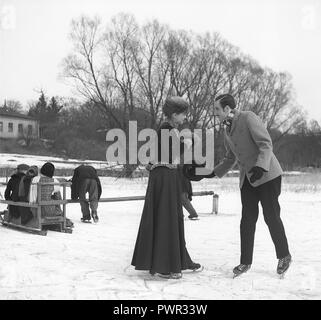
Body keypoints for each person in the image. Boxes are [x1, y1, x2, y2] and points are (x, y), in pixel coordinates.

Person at [185, 93, 292, 277]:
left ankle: (284, 256)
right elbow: (230, 158)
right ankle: (245, 262)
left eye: (217, 109)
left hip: (267, 175)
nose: (215, 113)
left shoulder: (248, 117)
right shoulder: (227, 130)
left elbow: (265, 144)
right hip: (248, 179)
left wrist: (261, 166)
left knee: (271, 216)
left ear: (227, 109)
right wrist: (209, 173)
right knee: (247, 221)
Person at [131, 96, 203, 279]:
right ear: (174, 114)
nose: (185, 117)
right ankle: (165, 265)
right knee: (166, 217)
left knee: (172, 217)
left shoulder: (170, 129)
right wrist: (186, 144)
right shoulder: (166, 129)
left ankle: (178, 260)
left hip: (167, 175)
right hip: (164, 176)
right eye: (183, 114)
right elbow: (168, 154)